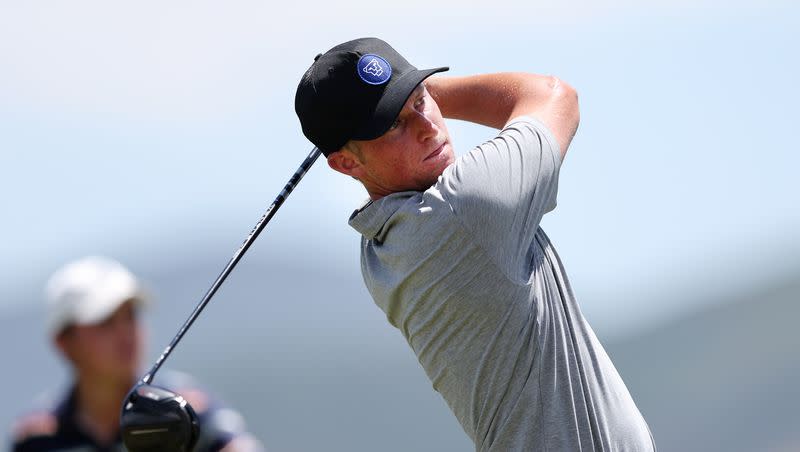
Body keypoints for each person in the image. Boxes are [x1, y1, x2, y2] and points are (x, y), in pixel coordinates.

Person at [294, 37, 657, 451]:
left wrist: (394, 101)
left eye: (419, 102)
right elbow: (554, 95)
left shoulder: (378, 249)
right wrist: (428, 94)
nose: (427, 127)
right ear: (346, 163)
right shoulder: (460, 210)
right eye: (393, 124)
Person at [10, 256, 264, 452]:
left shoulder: (189, 410)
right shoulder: (36, 437)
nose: (126, 333)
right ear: (64, 343)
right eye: (105, 321)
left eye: (131, 316)